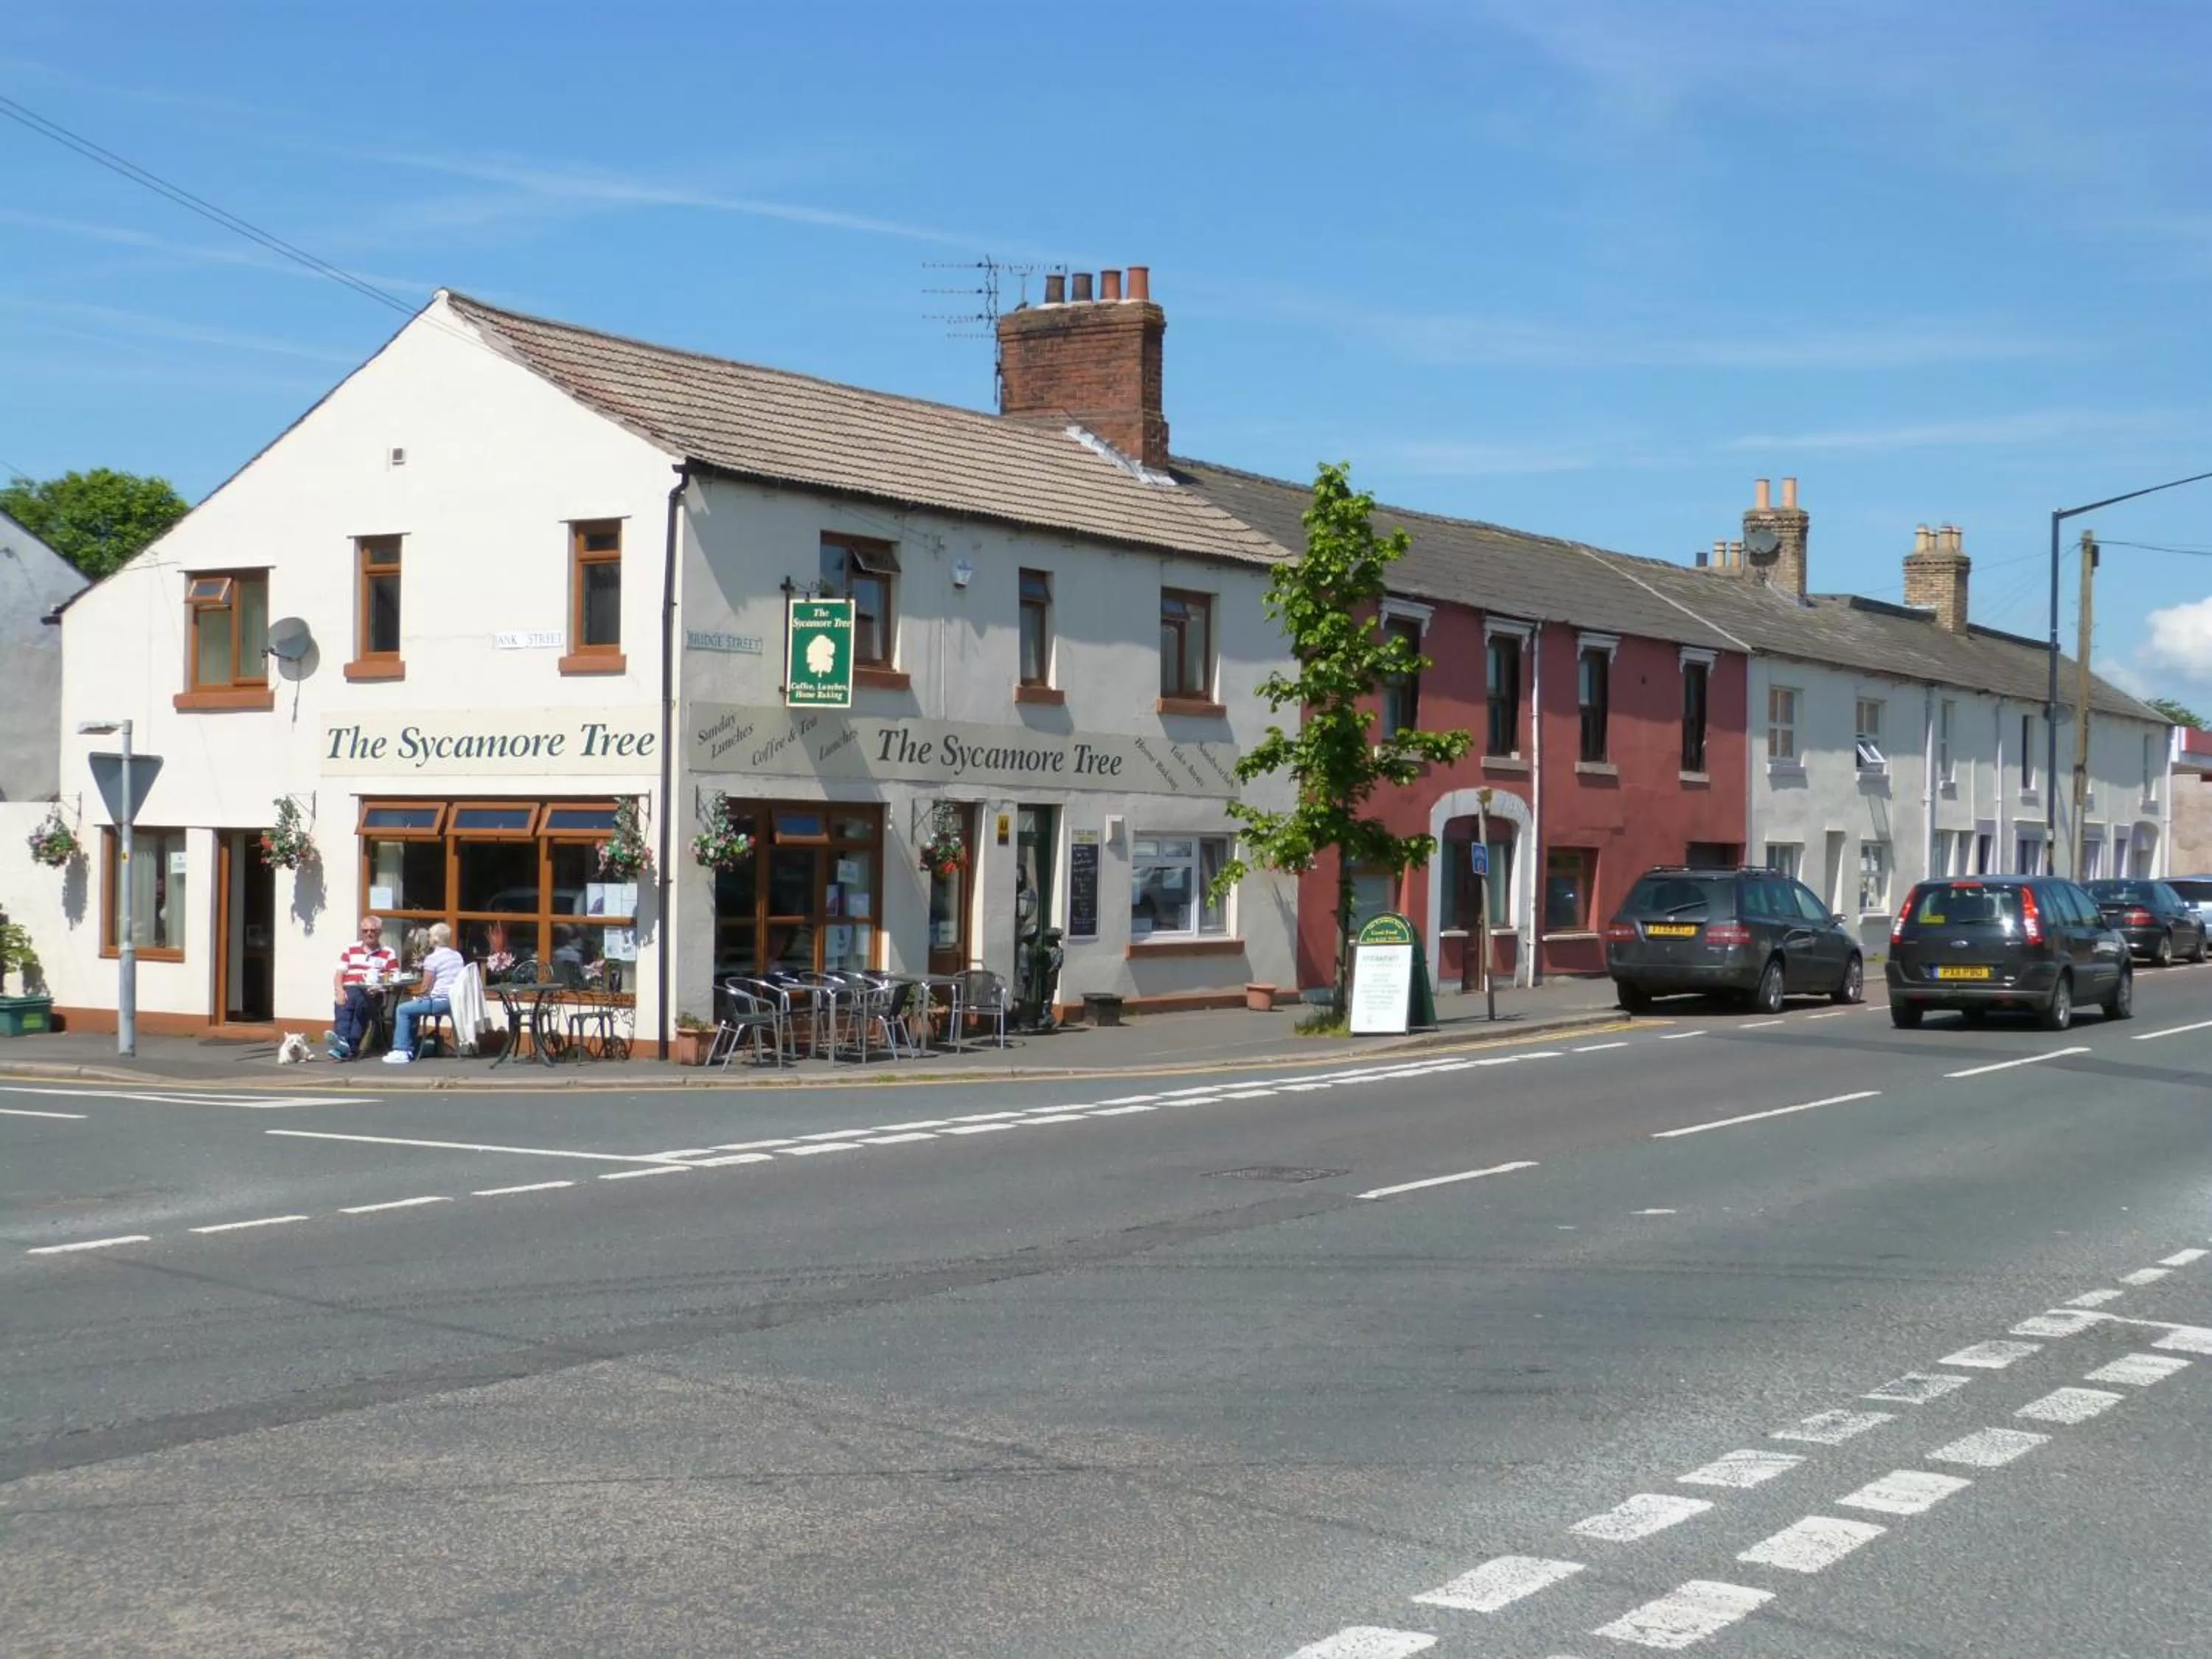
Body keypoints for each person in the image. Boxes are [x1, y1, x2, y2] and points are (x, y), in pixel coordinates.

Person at [385, 922, 465, 1064]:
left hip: (438, 1002)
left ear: (434, 939)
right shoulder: (457, 956)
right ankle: (410, 1047)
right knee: (413, 1010)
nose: (428, 939)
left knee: (402, 1010)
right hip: (453, 1002)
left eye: (429, 936)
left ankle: (401, 1050)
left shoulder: (433, 958)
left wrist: (420, 995)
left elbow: (426, 986)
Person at [327, 916, 398, 1061]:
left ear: (380, 932)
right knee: (345, 1000)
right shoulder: (351, 949)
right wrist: (339, 991)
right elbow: (339, 974)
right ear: (361, 932)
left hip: (373, 994)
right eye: (365, 931)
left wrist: (378, 988)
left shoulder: (388, 953)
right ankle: (347, 1046)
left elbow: (393, 979)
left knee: (359, 998)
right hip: (349, 990)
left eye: (373, 930)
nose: (369, 934)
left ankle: (343, 1045)